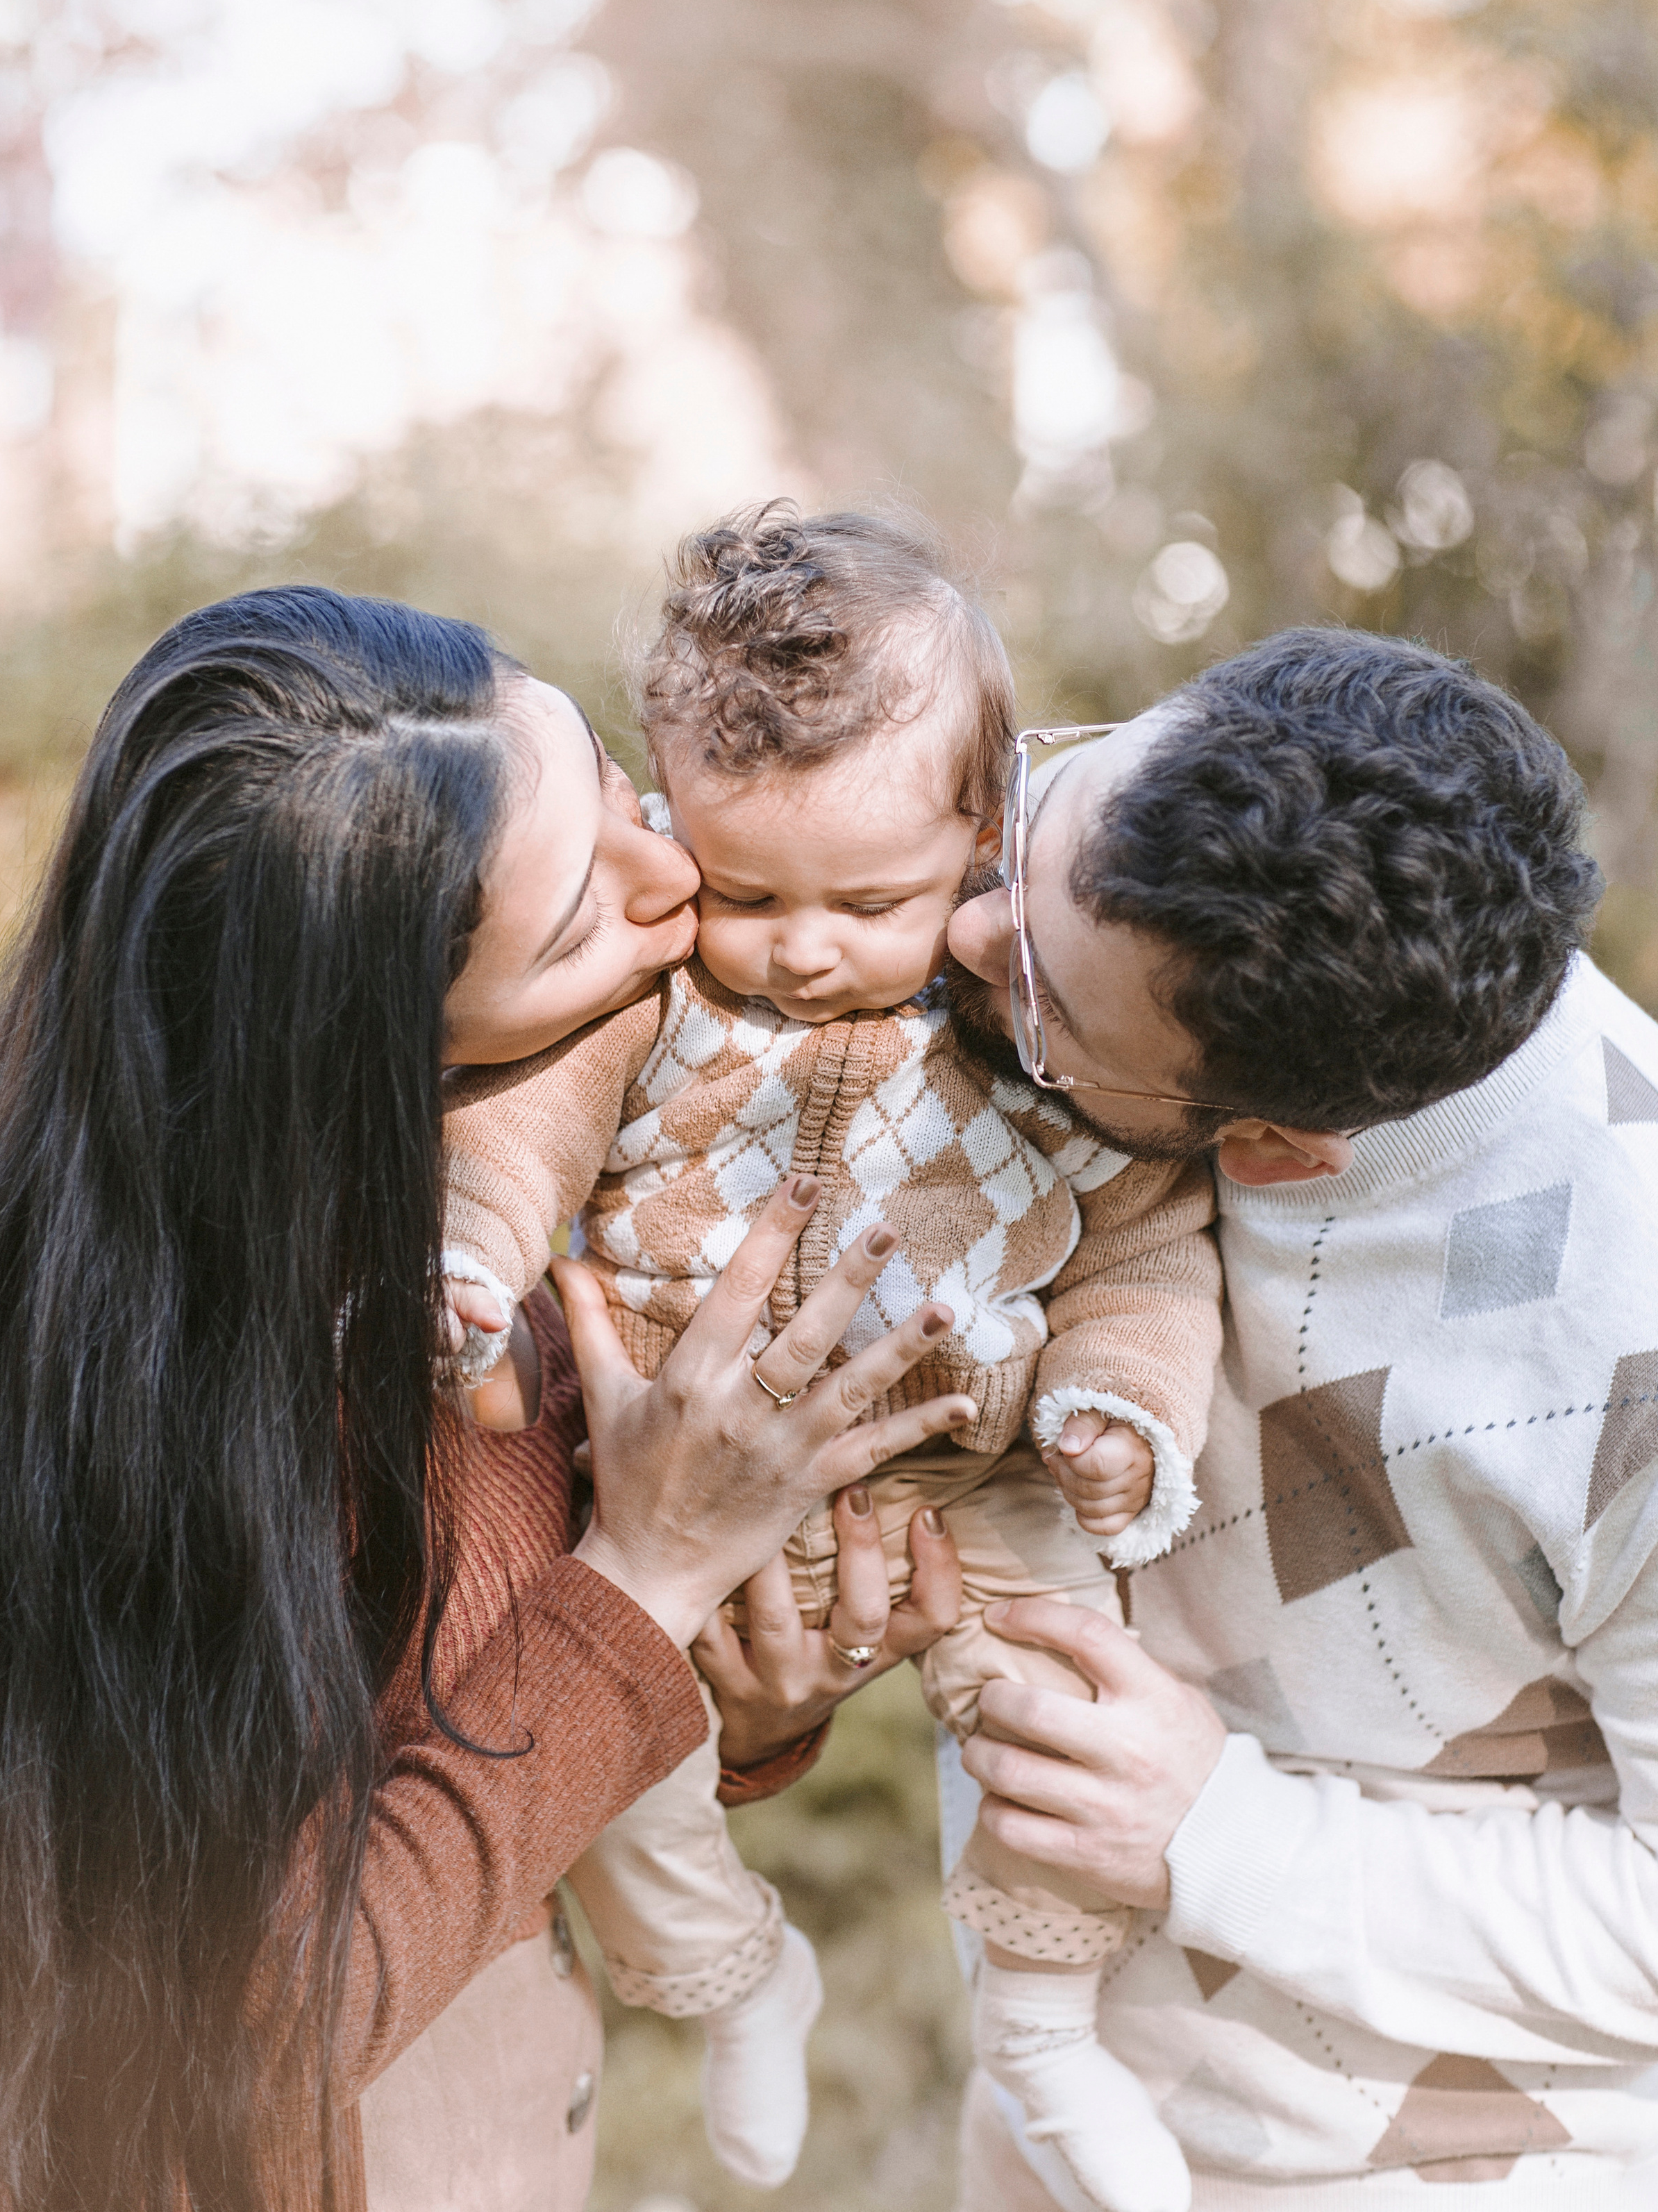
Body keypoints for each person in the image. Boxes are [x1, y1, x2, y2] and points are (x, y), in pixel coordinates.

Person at [0, 583, 982, 2212]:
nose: (681, 878)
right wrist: (641, 1580)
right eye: (582, 915)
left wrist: (748, 1694)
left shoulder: (490, 1151)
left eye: (611, 785)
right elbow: (234, 2033)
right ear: (362, 1047)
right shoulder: (136, 1383)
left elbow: (498, 1700)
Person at [439, 505, 1222, 2211]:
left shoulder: (1026, 1034)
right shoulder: (651, 1015)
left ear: (978, 818)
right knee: (602, 1752)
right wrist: (472, 1254)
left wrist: (1118, 1405)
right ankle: (731, 1985)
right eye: (748, 889)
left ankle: (1037, 2030)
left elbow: (1152, 1239)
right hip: (672, 1487)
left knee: (1059, 1714)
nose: (802, 945)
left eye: (869, 896)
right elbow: (522, 1135)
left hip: (969, 1478)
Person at [941, 628, 1658, 2212]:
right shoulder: (1168, 932)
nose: (963, 932)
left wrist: (1215, 1831)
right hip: (1042, 2107)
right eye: (1048, 799)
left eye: (1037, 999)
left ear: (1274, 1151)